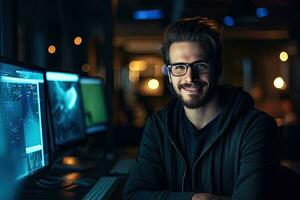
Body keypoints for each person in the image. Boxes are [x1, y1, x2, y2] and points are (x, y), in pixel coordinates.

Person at [122, 17, 279, 200]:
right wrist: (193, 199)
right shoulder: (159, 126)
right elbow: (134, 196)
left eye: (200, 65)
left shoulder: (256, 127)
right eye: (180, 67)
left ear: (218, 68)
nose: (190, 77)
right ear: (170, 75)